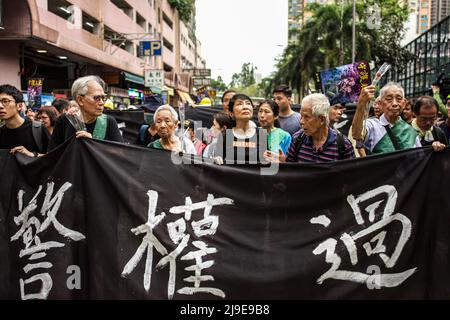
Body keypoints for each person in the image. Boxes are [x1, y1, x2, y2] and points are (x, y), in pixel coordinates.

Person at [48, 75, 124, 151]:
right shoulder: (65, 120)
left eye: (103, 98)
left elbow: (120, 153)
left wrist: (92, 142)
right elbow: (53, 153)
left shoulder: (108, 122)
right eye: (97, 98)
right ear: (80, 100)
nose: (101, 103)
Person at [275, 93, 354, 163]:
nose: (301, 122)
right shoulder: (297, 139)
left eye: (306, 117)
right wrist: (283, 163)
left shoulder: (343, 145)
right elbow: (291, 172)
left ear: (322, 119)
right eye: (301, 116)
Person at [352, 82, 422, 155]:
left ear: (404, 103)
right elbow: (356, 135)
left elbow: (419, 158)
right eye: (389, 99)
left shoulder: (410, 131)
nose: (394, 103)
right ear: (380, 103)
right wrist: (361, 103)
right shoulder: (372, 125)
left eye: (398, 99)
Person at [214, 93, 267, 164]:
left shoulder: (262, 134)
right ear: (231, 113)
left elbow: (267, 160)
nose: (245, 107)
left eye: (248, 103)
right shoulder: (225, 135)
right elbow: (218, 158)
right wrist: (217, 158)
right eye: (239, 104)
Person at [0, 84, 49, 157]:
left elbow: (54, 157)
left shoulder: (37, 129)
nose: (0, 106)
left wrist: (32, 155)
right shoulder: (1, 132)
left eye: (5, 101)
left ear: (19, 106)